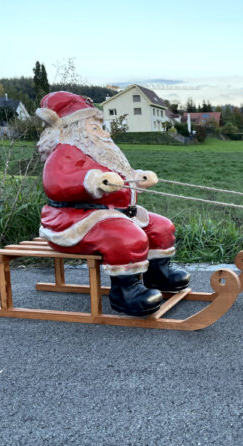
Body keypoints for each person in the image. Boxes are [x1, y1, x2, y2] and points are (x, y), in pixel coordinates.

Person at [36, 91, 189, 316]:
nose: (102, 132)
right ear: (75, 128)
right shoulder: (64, 152)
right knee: (126, 236)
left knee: (162, 226)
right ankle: (126, 291)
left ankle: (158, 273)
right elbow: (56, 183)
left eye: (99, 126)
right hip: (75, 219)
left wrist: (139, 177)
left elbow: (119, 175)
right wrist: (93, 180)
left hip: (117, 213)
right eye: (94, 127)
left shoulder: (100, 150)